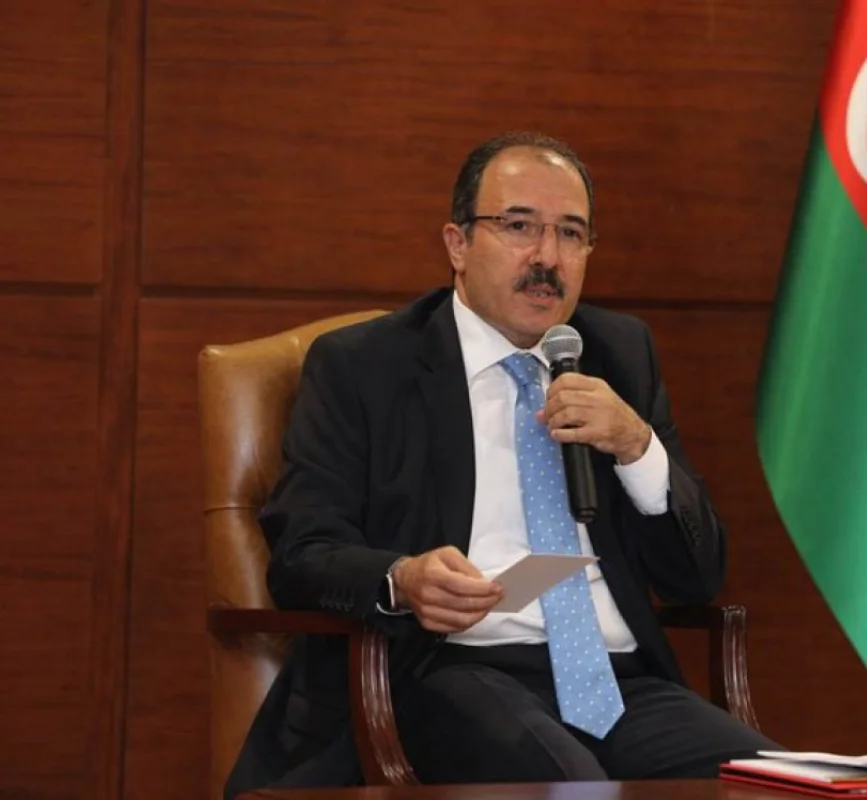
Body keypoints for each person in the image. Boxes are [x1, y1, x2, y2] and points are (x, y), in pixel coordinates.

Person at [224, 131, 779, 798]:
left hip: (618, 684)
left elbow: (697, 578)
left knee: (789, 785)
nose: (547, 257)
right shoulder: (365, 367)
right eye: (519, 226)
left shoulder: (618, 353)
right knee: (574, 789)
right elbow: (302, 553)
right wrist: (402, 578)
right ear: (457, 244)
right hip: (448, 670)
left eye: (570, 233)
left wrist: (638, 448)